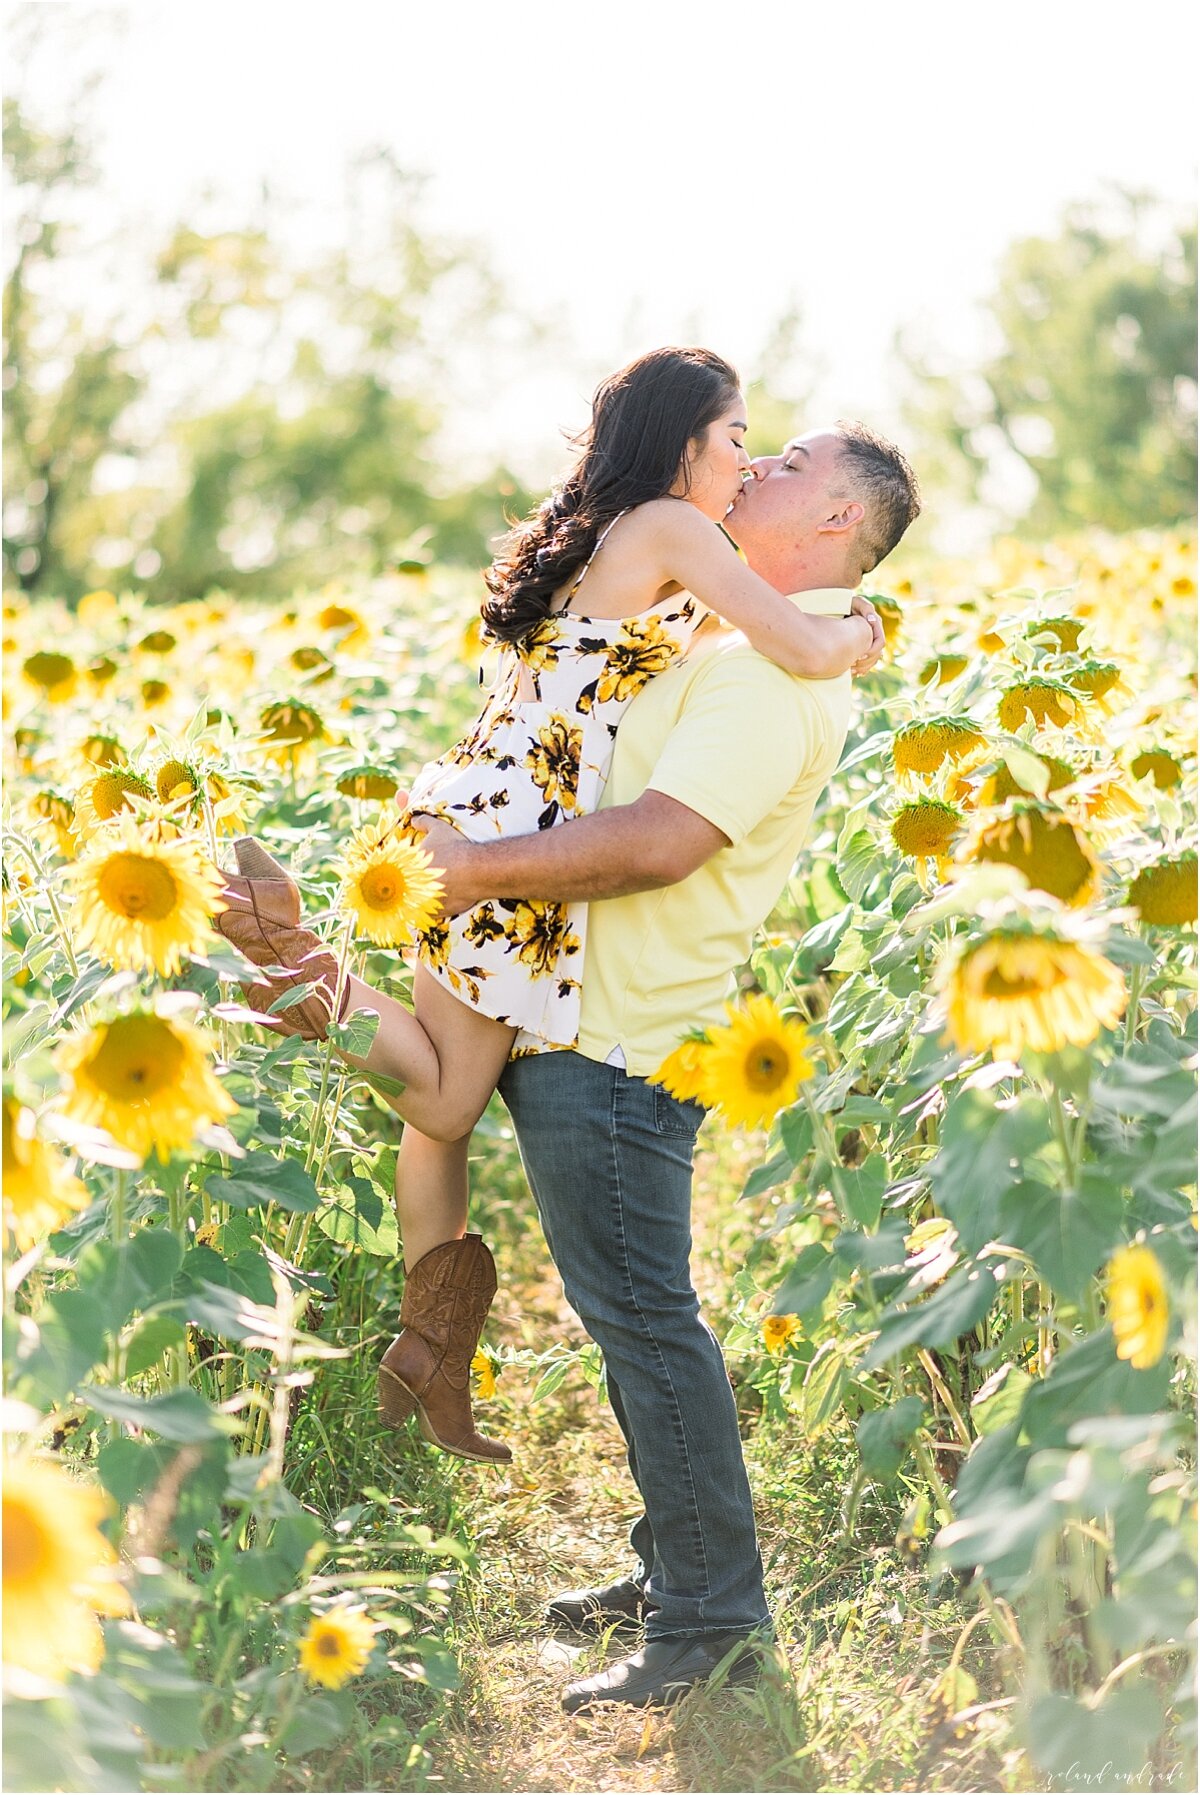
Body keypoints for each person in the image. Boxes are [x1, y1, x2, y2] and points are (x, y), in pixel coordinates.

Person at [218, 415, 920, 1711]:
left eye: (786, 468)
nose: (753, 472)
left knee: (650, 1325)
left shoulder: (773, 677)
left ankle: (711, 1623)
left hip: (622, 1035)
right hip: (580, 1007)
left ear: (835, 525)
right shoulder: (731, 638)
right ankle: (676, 1571)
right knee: (627, 1317)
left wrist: (472, 868)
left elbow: (660, 841)